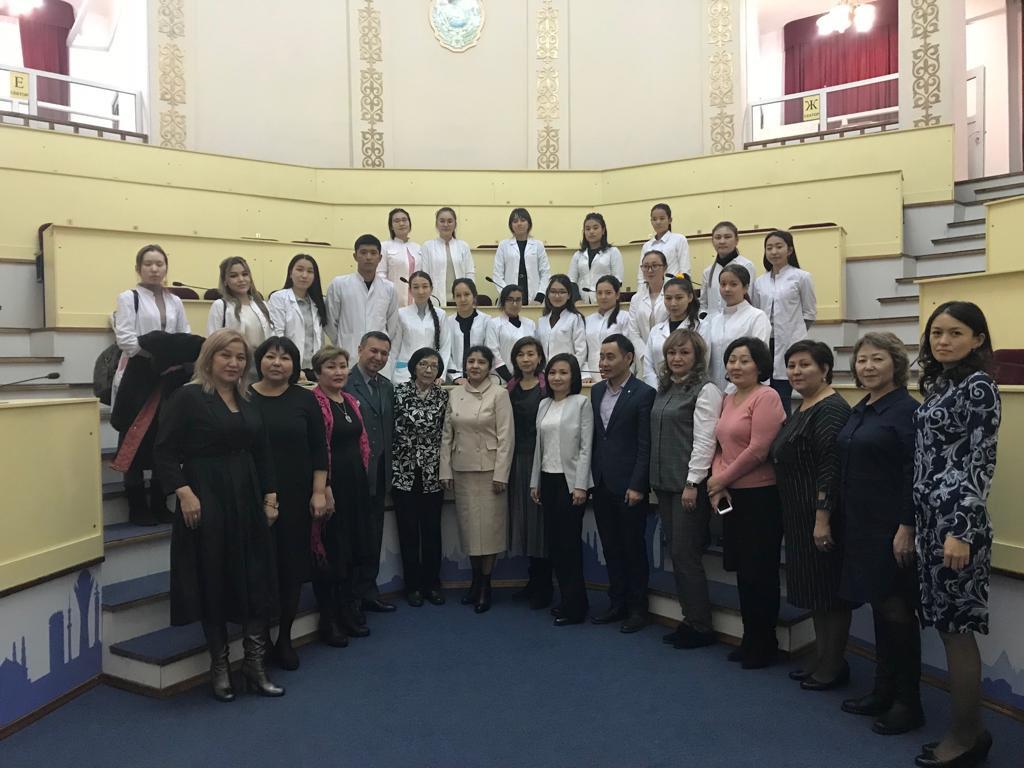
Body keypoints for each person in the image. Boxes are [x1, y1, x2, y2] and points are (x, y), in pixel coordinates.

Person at [153, 329, 283, 701]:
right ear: (209, 358)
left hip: (247, 495)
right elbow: (163, 451)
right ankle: (220, 666)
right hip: (205, 495)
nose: (234, 363)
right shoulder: (188, 397)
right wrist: (183, 492)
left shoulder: (248, 398)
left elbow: (262, 451)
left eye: (240, 357)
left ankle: (254, 666)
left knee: (255, 578)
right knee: (213, 577)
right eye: (226, 355)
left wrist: (270, 497)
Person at [912, 302, 1000, 768]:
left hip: (958, 528)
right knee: (948, 630)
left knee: (957, 632)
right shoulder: (942, 383)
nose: (943, 341)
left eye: (955, 333)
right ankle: (969, 731)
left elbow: (981, 461)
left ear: (978, 339)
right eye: (936, 333)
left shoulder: (979, 385)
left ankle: (967, 737)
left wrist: (961, 531)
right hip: (932, 523)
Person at [837, 332, 925, 736]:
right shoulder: (863, 408)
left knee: (897, 612)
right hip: (860, 526)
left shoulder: (906, 410)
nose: (868, 366)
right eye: (862, 360)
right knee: (879, 607)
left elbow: (913, 473)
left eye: (877, 359)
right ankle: (882, 690)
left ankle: (908, 703)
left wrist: (907, 527)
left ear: (896, 364)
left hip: (891, 530)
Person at [769, 340, 852, 690]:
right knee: (817, 594)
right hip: (799, 515)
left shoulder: (831, 409)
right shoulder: (804, 405)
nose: (796, 372)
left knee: (830, 595)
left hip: (821, 517)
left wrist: (822, 519)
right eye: (791, 366)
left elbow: (830, 470)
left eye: (805, 365)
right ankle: (822, 657)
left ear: (825, 369)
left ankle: (833, 665)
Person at [249, 337, 329, 669]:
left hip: (296, 496)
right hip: (252, 495)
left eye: (285, 358)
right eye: (270, 356)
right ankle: (260, 640)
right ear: (259, 360)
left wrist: (319, 491)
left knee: (291, 569)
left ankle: (284, 638)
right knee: (258, 570)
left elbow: (319, 449)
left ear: (295, 365)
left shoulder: (305, 399)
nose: (277, 363)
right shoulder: (244, 397)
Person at [708, 337, 785, 669]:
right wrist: (717, 484)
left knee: (761, 573)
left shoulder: (767, 397)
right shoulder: (728, 398)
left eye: (745, 360)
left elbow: (758, 450)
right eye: (732, 360)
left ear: (760, 365)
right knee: (743, 572)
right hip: (732, 495)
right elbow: (720, 446)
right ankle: (750, 638)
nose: (736, 366)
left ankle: (765, 643)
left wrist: (720, 480)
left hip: (761, 497)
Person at [650, 329, 723, 649]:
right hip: (664, 484)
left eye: (684, 353)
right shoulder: (665, 388)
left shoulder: (706, 390)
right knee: (677, 553)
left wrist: (693, 482)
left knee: (685, 554)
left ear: (698, 357)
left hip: (688, 486)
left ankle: (701, 626)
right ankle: (690, 618)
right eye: (672, 353)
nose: (677, 358)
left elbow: (705, 441)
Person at [112, 244, 191, 525]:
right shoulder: (129, 298)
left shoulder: (175, 301)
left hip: (168, 378)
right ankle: (136, 505)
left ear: (166, 268)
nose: (154, 269)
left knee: (164, 437)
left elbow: (183, 334)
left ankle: (159, 502)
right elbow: (126, 339)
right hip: (138, 376)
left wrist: (174, 356)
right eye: (148, 264)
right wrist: (157, 355)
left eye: (159, 264)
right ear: (138, 268)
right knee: (134, 438)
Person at [440, 345, 514, 614]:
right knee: (470, 530)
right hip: (462, 469)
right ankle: (474, 582)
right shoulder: (455, 393)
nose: (475, 366)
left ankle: (485, 585)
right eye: (470, 361)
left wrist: (501, 474)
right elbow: (447, 436)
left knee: (489, 532)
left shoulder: (499, 394)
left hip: (490, 473)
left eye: (481, 362)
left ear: (489, 367)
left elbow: (506, 437)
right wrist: (445, 470)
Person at [590, 334, 656, 634]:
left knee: (633, 548)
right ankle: (616, 603)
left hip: (629, 486)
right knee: (611, 547)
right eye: (601, 357)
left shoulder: (643, 393)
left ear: (628, 358)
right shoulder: (596, 391)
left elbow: (645, 445)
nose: (603, 363)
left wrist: (638, 485)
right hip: (602, 483)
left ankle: (638, 608)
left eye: (610, 357)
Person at [311, 345, 372, 646]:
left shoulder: (349, 400)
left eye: (342, 366)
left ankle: (348, 611)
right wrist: (325, 488)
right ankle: (330, 620)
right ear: (317, 372)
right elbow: (315, 450)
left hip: (355, 485)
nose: (338, 372)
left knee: (352, 550)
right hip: (330, 488)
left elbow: (361, 444)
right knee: (332, 553)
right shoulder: (313, 403)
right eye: (330, 367)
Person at [530, 354, 593, 625]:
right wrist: (535, 481)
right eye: (553, 372)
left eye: (563, 372)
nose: (557, 377)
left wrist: (581, 485)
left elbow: (586, 447)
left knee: (569, 547)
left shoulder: (581, 403)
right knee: (555, 546)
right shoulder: (543, 404)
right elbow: (539, 447)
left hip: (571, 484)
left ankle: (576, 607)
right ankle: (567, 600)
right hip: (547, 480)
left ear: (573, 376)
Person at [343, 331, 397, 618]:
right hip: (352, 475)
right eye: (373, 351)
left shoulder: (387, 386)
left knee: (373, 537)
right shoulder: (344, 383)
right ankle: (349, 600)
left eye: (384, 353)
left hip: (379, 475)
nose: (378, 357)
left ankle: (368, 592)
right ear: (360, 349)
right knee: (352, 540)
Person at [392, 347, 450, 607]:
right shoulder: (398, 392)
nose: (428, 370)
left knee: (431, 531)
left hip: (432, 472)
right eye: (423, 364)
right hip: (403, 471)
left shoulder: (443, 396)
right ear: (413, 366)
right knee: (408, 531)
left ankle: (432, 584)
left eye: (434, 366)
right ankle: (412, 586)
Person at [506, 336, 550, 608]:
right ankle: (533, 581)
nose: (526, 359)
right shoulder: (510, 387)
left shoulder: (547, 387)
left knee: (540, 524)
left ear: (539, 357)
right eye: (520, 354)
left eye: (531, 354)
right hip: (516, 461)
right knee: (524, 522)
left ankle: (544, 586)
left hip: (541, 461)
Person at [754, 230, 817, 414]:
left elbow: (809, 313)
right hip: (766, 342)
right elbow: (756, 313)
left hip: (791, 342)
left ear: (789, 250)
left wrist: (795, 334)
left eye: (779, 247)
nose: (774, 251)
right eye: (769, 248)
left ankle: (786, 428)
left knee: (783, 394)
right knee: (766, 393)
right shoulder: (759, 282)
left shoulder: (802, 277)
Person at [325, 234, 399, 356]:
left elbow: (392, 325)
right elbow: (330, 321)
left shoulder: (389, 288)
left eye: (373, 253)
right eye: (363, 252)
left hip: (378, 357)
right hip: (347, 352)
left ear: (380, 258)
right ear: (355, 256)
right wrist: (342, 342)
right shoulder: (339, 284)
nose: (368, 257)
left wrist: (382, 347)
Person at [705, 264, 771, 391]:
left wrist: (730, 391)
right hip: (713, 390)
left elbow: (759, 357)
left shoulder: (757, 317)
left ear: (745, 288)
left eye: (733, 284)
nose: (727, 289)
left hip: (745, 390)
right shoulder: (713, 320)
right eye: (723, 284)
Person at [268, 254, 327, 380]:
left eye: (310, 271)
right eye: (300, 270)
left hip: (313, 369)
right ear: (290, 273)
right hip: (288, 367)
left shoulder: (318, 302)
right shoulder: (279, 298)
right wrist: (291, 367)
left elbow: (320, 339)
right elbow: (277, 335)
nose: (304, 275)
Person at [392, 271, 451, 384]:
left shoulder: (441, 315)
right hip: (404, 375)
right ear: (410, 290)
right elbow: (395, 348)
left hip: (431, 375)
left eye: (425, 286)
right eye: (416, 287)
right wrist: (388, 376)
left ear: (431, 289)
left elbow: (445, 347)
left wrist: (441, 375)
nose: (420, 291)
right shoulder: (401, 314)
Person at [644, 275, 702, 388]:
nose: (673, 303)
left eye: (679, 298)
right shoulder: (656, 330)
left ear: (690, 297)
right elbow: (648, 366)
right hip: (658, 390)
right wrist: (658, 389)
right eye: (668, 298)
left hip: (690, 389)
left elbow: (702, 363)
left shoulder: (701, 327)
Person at [206, 256, 273, 350]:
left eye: (245, 274)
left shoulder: (263, 305)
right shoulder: (220, 306)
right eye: (234, 276)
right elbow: (211, 342)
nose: (241, 279)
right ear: (225, 281)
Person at [491, 207, 551, 304]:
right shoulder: (503, 245)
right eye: (515, 221)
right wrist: (507, 295)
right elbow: (497, 274)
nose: (519, 224)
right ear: (511, 225)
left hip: (534, 298)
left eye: (523, 220)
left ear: (529, 223)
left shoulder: (538, 245)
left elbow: (545, 273)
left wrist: (540, 296)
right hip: (509, 299)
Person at [699, 221, 758, 319]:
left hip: (740, 322)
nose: (722, 241)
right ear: (712, 241)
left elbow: (751, 299)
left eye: (727, 237)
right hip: (713, 324)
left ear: (736, 240)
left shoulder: (746, 265)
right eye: (718, 237)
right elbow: (703, 304)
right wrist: (704, 317)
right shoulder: (708, 272)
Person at [420, 207, 476, 305]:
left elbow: (470, 273)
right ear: (436, 224)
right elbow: (424, 275)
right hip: (435, 299)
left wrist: (469, 295)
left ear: (455, 224)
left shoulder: (463, 246)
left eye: (450, 221)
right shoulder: (428, 246)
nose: (446, 225)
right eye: (442, 221)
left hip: (461, 299)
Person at [628, 249, 669, 379]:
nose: (650, 270)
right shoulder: (636, 299)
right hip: (643, 359)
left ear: (665, 268)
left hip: (668, 355)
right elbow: (633, 332)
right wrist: (645, 355)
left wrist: (659, 352)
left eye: (655, 266)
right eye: (645, 266)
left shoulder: (672, 295)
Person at [568, 212, 624, 303]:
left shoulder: (613, 252)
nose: (591, 232)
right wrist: (577, 300)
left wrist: (606, 294)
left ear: (603, 230)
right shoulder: (578, 255)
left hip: (606, 300)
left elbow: (618, 279)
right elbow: (571, 280)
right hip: (582, 302)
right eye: (587, 229)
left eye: (595, 228)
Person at [583, 275, 630, 384]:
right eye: (599, 293)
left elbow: (629, 350)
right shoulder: (588, 320)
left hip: (618, 377)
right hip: (591, 377)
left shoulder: (625, 317)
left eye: (608, 293)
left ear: (617, 295)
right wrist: (586, 375)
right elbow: (583, 351)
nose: (603, 297)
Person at [536, 274, 587, 371]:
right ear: (548, 294)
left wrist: (569, 371)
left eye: (562, 292)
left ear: (569, 295)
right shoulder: (542, 321)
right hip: (545, 373)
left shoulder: (575, 318)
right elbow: (538, 351)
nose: (557, 296)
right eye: (553, 291)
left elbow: (581, 352)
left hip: (567, 373)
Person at [486, 284, 537, 381]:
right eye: (510, 300)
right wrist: (510, 380)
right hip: (501, 379)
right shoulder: (494, 324)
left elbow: (535, 352)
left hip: (526, 379)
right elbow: (494, 354)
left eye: (518, 300)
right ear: (503, 302)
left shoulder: (530, 324)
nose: (514, 304)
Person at [378, 208, 423, 307]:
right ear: (391, 226)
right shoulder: (384, 246)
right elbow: (380, 275)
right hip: (393, 301)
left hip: (417, 301)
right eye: (396, 221)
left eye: (404, 220)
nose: (401, 223)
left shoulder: (418, 248)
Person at [635, 203, 690, 285]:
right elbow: (641, 275)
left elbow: (685, 270)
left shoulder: (679, 239)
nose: (658, 222)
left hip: (673, 288)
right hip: (651, 289)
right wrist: (642, 290)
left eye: (662, 218)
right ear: (651, 221)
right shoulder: (647, 246)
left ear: (670, 220)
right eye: (654, 219)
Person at [447, 278, 488, 383]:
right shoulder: (448, 322)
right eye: (458, 295)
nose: (462, 299)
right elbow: (446, 352)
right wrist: (456, 377)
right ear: (454, 298)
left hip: (482, 379)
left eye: (466, 294)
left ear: (474, 296)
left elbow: (489, 351)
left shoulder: (486, 321)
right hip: (456, 380)